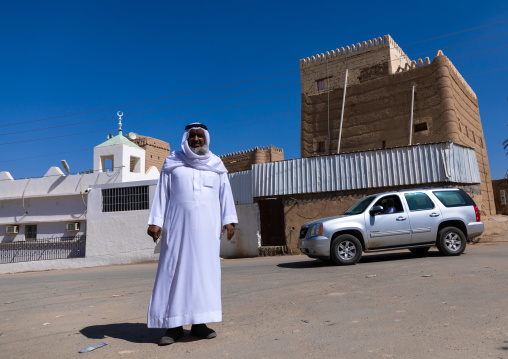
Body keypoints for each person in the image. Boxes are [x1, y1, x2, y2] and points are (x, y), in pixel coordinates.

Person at [146, 122, 238, 346]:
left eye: (200, 136)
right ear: (185, 138)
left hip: (207, 233)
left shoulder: (216, 164)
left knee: (203, 276)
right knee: (174, 274)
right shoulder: (173, 163)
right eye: (192, 136)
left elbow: (225, 193)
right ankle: (174, 326)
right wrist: (156, 221)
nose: (197, 140)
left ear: (206, 138)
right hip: (177, 229)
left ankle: (200, 324)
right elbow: (162, 195)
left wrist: (230, 220)